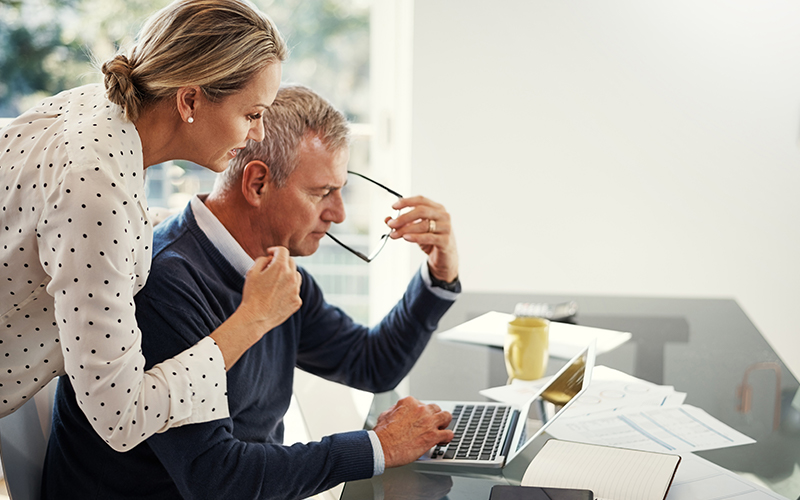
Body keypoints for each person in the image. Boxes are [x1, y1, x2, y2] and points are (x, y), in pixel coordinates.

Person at [42, 84, 461, 499]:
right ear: (257, 184)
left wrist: (439, 274)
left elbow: (371, 364)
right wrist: (378, 447)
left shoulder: (274, 271)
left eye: (340, 190)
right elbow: (218, 478)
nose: (338, 213)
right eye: (322, 193)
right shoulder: (165, 283)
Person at [0, 0, 291, 451]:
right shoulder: (97, 187)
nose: (259, 134)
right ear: (190, 99)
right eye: (252, 114)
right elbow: (123, 417)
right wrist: (252, 320)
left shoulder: (91, 109)